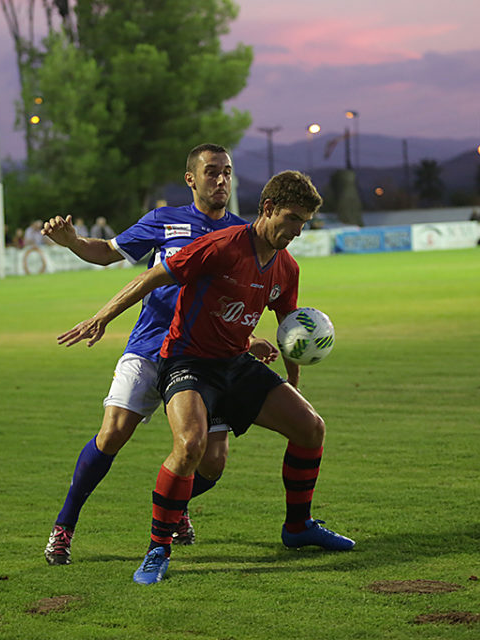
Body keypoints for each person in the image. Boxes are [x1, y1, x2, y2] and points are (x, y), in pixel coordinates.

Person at [59, 170, 355, 585]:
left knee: (310, 428)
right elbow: (151, 276)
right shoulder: (220, 246)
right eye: (291, 219)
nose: (297, 231)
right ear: (267, 209)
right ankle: (157, 550)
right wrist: (101, 317)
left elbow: (289, 327)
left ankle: (298, 527)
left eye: (303, 223)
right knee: (190, 445)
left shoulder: (286, 268)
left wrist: (292, 379)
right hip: (186, 361)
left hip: (234, 362)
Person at [39, 143, 271, 566]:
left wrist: (248, 340)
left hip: (206, 356)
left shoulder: (243, 235)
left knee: (212, 461)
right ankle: (64, 527)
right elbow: (108, 252)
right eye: (211, 172)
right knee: (112, 434)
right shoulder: (165, 221)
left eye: (227, 172)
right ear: (191, 179)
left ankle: (172, 505)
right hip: (151, 345)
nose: (221, 180)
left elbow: (240, 300)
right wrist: (72, 242)